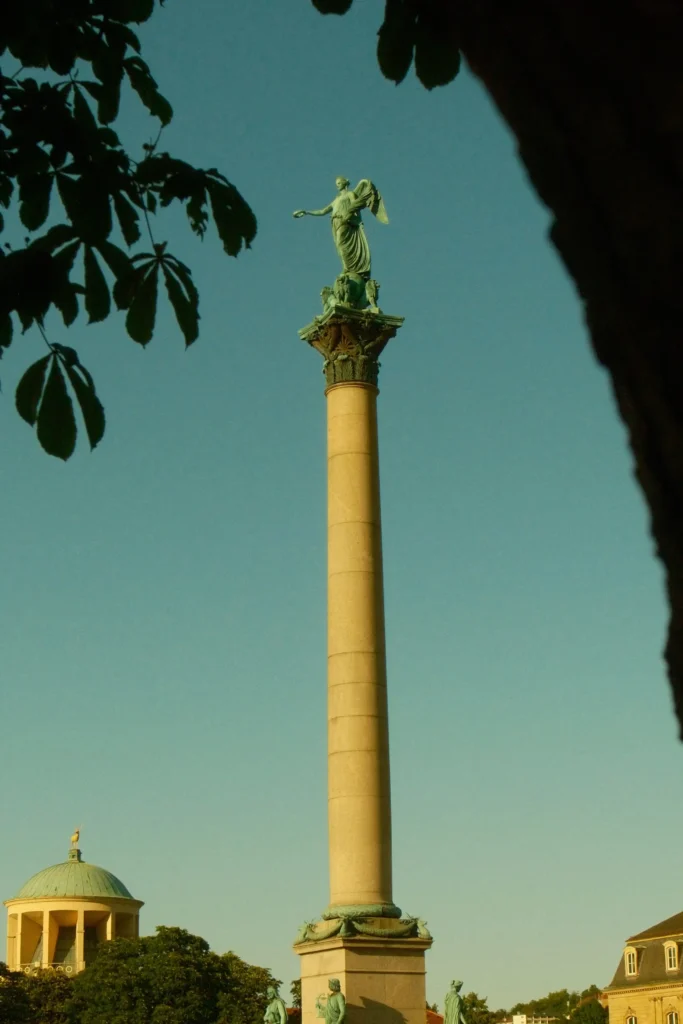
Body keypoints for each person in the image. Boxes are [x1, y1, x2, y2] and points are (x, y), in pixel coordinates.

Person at [293, 177, 388, 278]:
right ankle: (346, 266)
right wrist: (307, 212)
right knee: (339, 246)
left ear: (344, 183)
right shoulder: (336, 199)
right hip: (335, 223)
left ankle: (347, 268)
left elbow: (356, 206)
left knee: (341, 244)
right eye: (336, 183)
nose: (337, 185)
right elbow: (323, 211)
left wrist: (351, 218)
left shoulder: (350, 194)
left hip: (344, 221)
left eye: (339, 183)